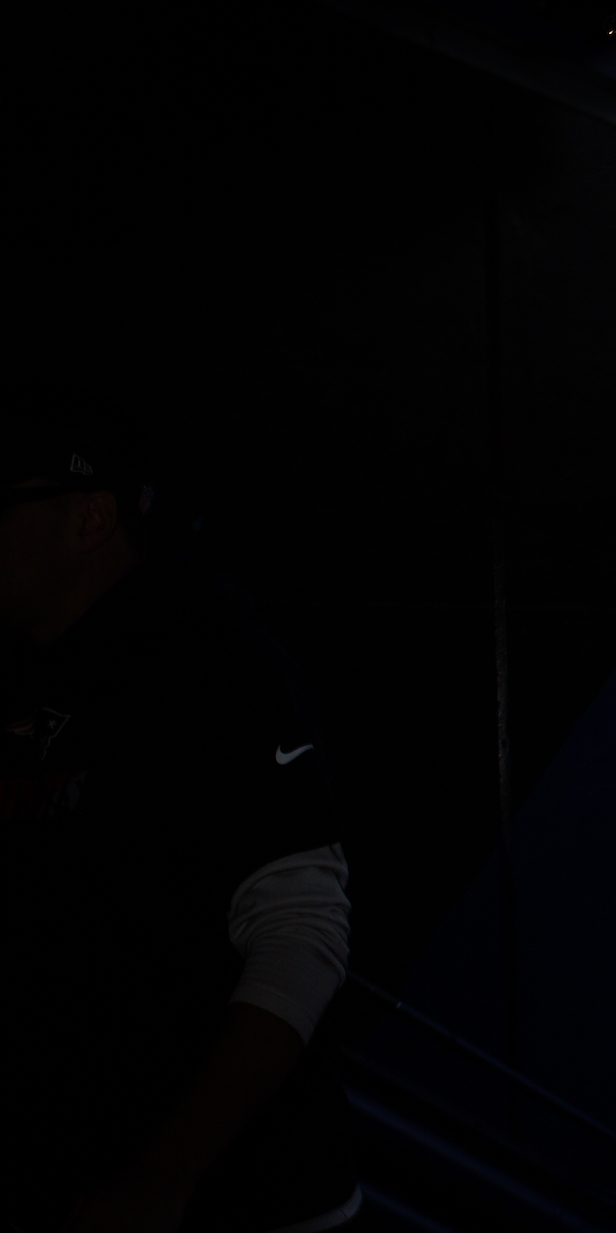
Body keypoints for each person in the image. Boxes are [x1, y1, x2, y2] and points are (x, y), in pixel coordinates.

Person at [2, 409, 359, 1231]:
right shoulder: (20, 682)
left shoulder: (214, 663)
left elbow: (303, 929)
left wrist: (161, 1176)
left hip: (243, 1197)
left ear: (89, 516)